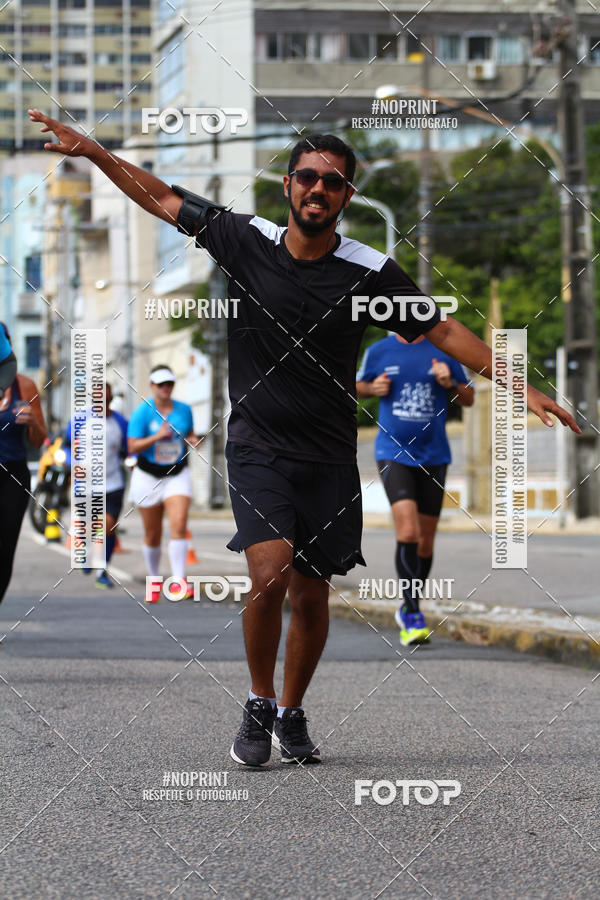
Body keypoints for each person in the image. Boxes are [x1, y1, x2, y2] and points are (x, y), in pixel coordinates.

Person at [28, 109, 580, 768]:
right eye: (308, 177)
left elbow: (441, 331)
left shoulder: (368, 271)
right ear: (288, 186)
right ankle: (259, 702)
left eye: (334, 182)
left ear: (346, 196)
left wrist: (519, 382)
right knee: (268, 573)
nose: (319, 189)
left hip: (327, 454)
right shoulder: (242, 238)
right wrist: (93, 151)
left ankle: (292, 710)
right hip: (258, 444)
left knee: (312, 593)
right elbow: (161, 196)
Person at [357, 333, 474, 645]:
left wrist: (449, 382)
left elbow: (470, 397)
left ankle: (410, 605)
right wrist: (372, 388)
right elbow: (354, 386)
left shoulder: (445, 347)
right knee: (408, 531)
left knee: (425, 542)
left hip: (434, 455)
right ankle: (412, 613)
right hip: (392, 451)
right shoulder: (378, 351)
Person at [126, 366, 203, 603]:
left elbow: (189, 433)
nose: (166, 388)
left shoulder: (184, 410)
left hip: (176, 474)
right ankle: (154, 580)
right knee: (153, 533)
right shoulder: (143, 412)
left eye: (169, 383)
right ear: (152, 386)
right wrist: (157, 437)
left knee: (179, 525)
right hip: (148, 476)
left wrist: (192, 440)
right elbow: (132, 447)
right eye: (161, 384)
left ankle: (179, 581)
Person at [63, 383, 128, 589]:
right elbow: (65, 446)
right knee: (88, 526)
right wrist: (72, 463)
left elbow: (129, 449)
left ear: (110, 400)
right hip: (85, 485)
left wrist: (133, 460)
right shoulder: (79, 420)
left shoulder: (120, 422)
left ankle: (102, 571)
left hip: (113, 483)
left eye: (106, 400)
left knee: (108, 527)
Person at [0, 322, 47, 603]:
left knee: (5, 548)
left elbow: (40, 440)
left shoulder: (25, 386)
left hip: (13, 476)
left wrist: (32, 423)